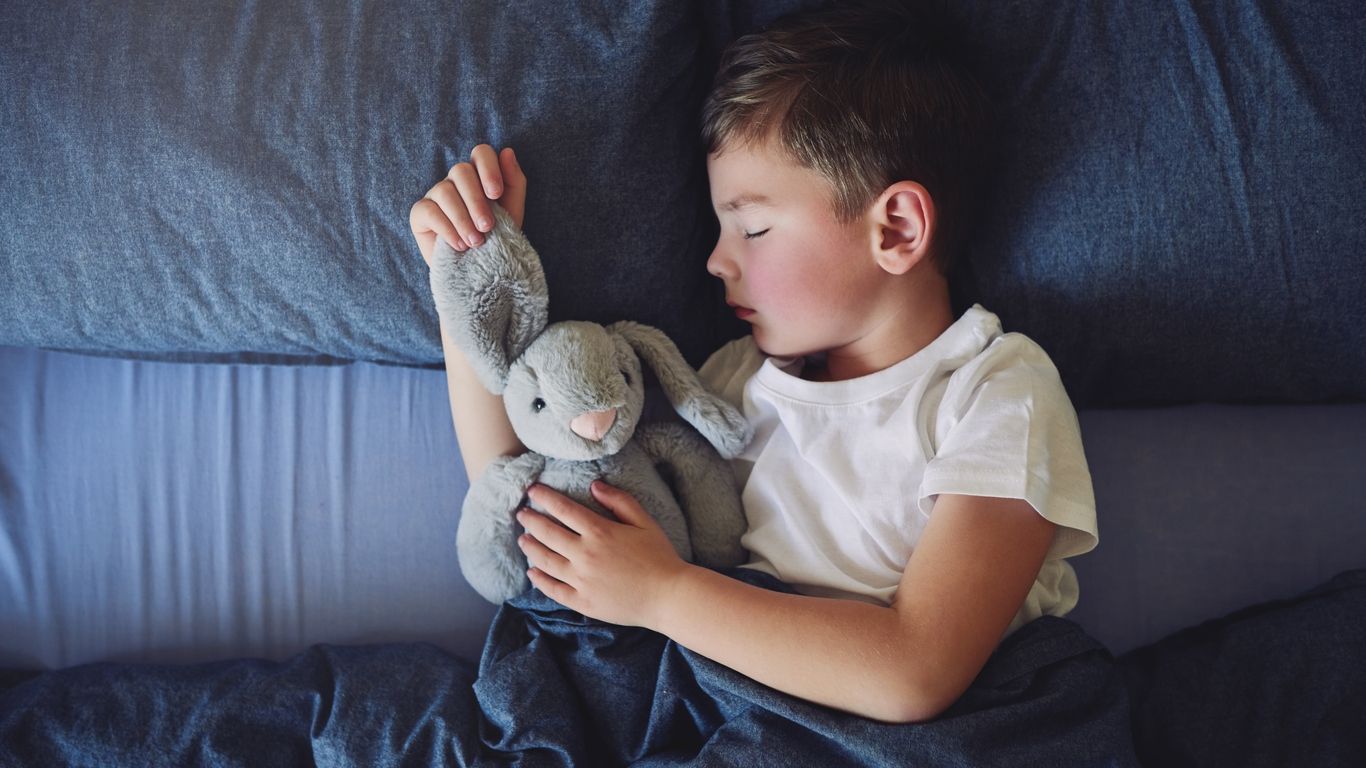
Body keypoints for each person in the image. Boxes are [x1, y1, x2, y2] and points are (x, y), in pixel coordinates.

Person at [409, 0, 1096, 725]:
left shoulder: (994, 392)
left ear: (895, 227)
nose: (715, 260)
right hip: (718, 714)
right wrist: (468, 285)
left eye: (754, 226)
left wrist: (663, 595)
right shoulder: (735, 382)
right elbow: (536, 484)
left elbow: (915, 669)